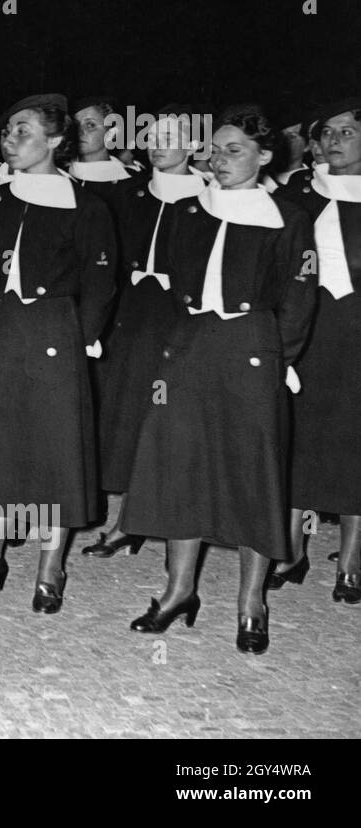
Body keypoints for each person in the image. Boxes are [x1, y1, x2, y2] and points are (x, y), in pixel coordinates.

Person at [121, 106, 316, 653]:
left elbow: (299, 298)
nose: (220, 159)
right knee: (179, 465)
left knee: (255, 472)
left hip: (253, 350)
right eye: (216, 150)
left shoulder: (289, 217)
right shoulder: (190, 210)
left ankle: (251, 602)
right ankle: (178, 590)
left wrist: (283, 359)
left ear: (265, 156)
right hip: (189, 347)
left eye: (235, 150)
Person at [0, 94, 117, 614]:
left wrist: (79, 339)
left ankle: (50, 565)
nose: (10, 141)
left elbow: (102, 281)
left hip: (54, 334)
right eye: (9, 132)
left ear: (56, 142)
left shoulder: (86, 205)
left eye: (23, 132)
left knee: (55, 449)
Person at [82, 106, 207, 556]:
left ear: (195, 146)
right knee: (126, 411)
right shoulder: (129, 193)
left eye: (170, 137)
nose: (158, 145)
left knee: (166, 415)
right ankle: (123, 520)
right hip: (130, 313)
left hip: (180, 318)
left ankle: (145, 517)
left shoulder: (209, 198)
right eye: (152, 136)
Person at [272, 98, 361, 604]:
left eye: (346, 132)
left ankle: (351, 560)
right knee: (299, 436)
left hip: (356, 333)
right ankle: (291, 549)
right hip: (307, 327)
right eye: (326, 133)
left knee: (355, 440)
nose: (333, 141)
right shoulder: (298, 196)